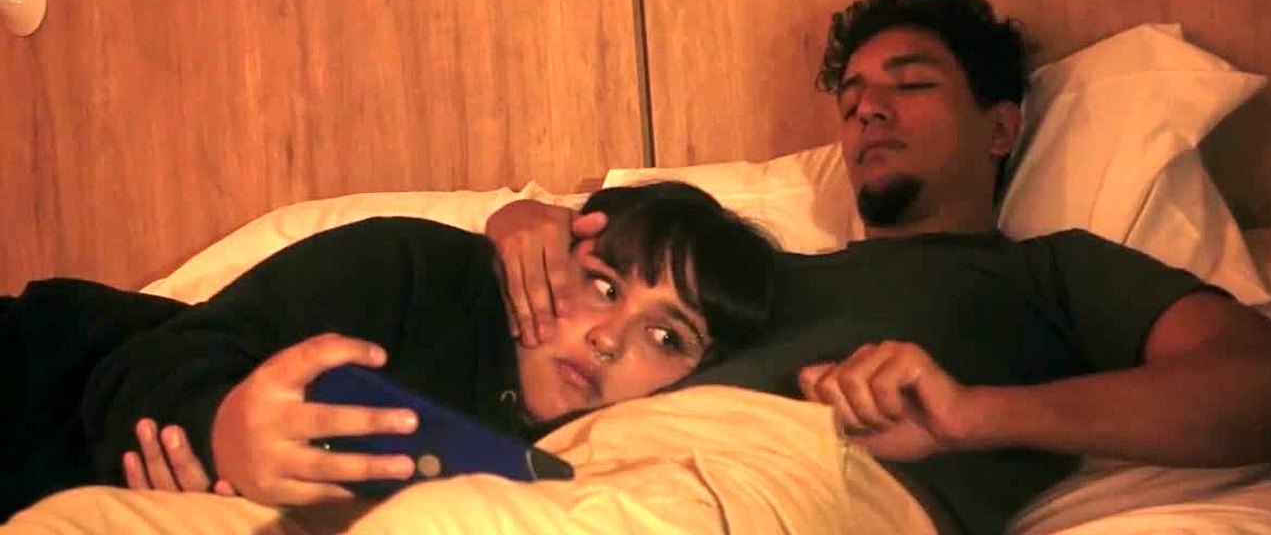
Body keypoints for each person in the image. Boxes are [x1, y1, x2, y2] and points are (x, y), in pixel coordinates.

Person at [484, 0, 1271, 534]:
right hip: (587, 464)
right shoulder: (754, 276)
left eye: (911, 84)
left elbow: (1260, 384)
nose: (869, 108)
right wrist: (517, 225)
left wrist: (974, 415)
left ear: (1001, 128)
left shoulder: (1049, 274)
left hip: (793, 485)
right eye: (854, 96)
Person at [0, 181, 776, 519]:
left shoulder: (610, 470)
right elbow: (159, 361)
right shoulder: (421, 271)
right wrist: (222, 428)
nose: (609, 338)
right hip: (38, 372)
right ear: (554, 256)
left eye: (665, 336)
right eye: (603, 286)